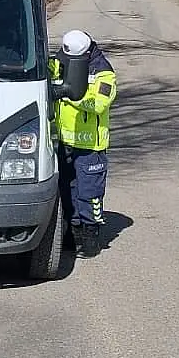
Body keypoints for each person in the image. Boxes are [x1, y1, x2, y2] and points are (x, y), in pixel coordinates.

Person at [50, 29, 118, 258]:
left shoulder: (104, 73)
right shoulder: (60, 61)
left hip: (91, 146)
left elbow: (98, 104)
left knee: (89, 192)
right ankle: (72, 231)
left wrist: (68, 94)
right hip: (63, 141)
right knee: (66, 190)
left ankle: (91, 233)